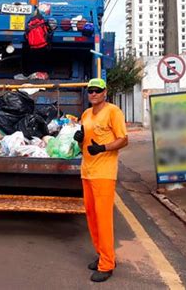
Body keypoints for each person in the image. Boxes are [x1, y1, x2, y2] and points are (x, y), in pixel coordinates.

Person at [73, 78, 128, 282]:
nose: (93, 94)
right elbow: (84, 146)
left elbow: (124, 139)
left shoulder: (113, 111)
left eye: (97, 90)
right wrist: (79, 140)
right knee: (92, 216)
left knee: (103, 219)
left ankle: (107, 265)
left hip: (104, 173)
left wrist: (103, 148)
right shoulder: (86, 114)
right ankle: (102, 254)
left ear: (105, 92)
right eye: (90, 91)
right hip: (87, 171)